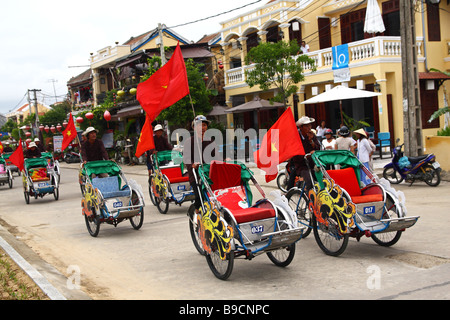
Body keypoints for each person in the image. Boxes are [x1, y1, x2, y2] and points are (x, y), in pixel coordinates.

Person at [183, 115, 217, 213]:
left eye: (204, 125)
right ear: (194, 127)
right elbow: (186, 159)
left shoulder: (210, 141)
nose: (202, 128)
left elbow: (216, 157)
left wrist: (224, 160)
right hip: (196, 175)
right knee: (200, 197)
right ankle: (195, 212)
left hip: (209, 174)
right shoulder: (189, 142)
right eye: (199, 126)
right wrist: (192, 165)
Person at [286, 116, 320, 191]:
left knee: (321, 179)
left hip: (312, 163)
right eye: (306, 126)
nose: (309, 128)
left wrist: (311, 141)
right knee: (309, 181)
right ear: (301, 127)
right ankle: (309, 200)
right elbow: (294, 151)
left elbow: (318, 147)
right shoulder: (295, 137)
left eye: (310, 125)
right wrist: (306, 156)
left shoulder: (312, 135)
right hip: (301, 165)